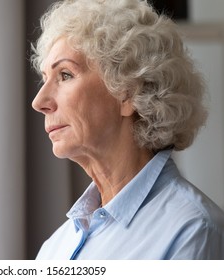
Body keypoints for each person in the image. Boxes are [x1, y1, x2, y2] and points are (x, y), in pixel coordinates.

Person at [31, 0, 224, 259]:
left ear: (128, 92)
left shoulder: (193, 231)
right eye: (45, 79)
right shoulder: (53, 249)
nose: (39, 102)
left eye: (65, 75)